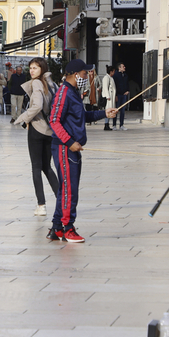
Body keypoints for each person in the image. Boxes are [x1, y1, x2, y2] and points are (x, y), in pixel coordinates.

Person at [47, 59, 117, 243]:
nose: (87, 76)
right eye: (85, 73)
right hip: (64, 147)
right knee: (70, 189)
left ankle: (56, 227)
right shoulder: (63, 93)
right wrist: (69, 142)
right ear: (75, 74)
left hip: (71, 147)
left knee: (66, 188)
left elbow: (83, 116)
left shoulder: (74, 92)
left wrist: (104, 113)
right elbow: (54, 120)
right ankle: (68, 228)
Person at [14, 58, 59, 217]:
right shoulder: (52, 83)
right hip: (50, 131)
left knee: (36, 167)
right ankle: (61, 199)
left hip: (37, 129)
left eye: (35, 68)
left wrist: (23, 118)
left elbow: (37, 105)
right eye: (31, 68)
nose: (32, 71)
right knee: (47, 167)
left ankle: (41, 205)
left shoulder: (37, 83)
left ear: (42, 69)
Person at [98, 66, 117, 131]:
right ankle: (106, 124)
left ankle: (107, 123)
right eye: (113, 71)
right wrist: (107, 96)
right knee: (107, 110)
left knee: (110, 110)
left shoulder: (111, 78)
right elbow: (105, 88)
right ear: (111, 71)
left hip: (111, 97)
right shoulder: (106, 78)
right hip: (108, 98)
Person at [112, 62, 130, 130]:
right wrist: (115, 95)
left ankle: (121, 125)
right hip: (118, 95)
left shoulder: (125, 75)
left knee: (123, 111)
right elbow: (114, 85)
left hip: (124, 95)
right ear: (119, 68)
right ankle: (114, 125)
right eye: (123, 66)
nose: (124, 67)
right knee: (116, 110)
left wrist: (127, 90)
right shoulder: (115, 75)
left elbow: (127, 83)